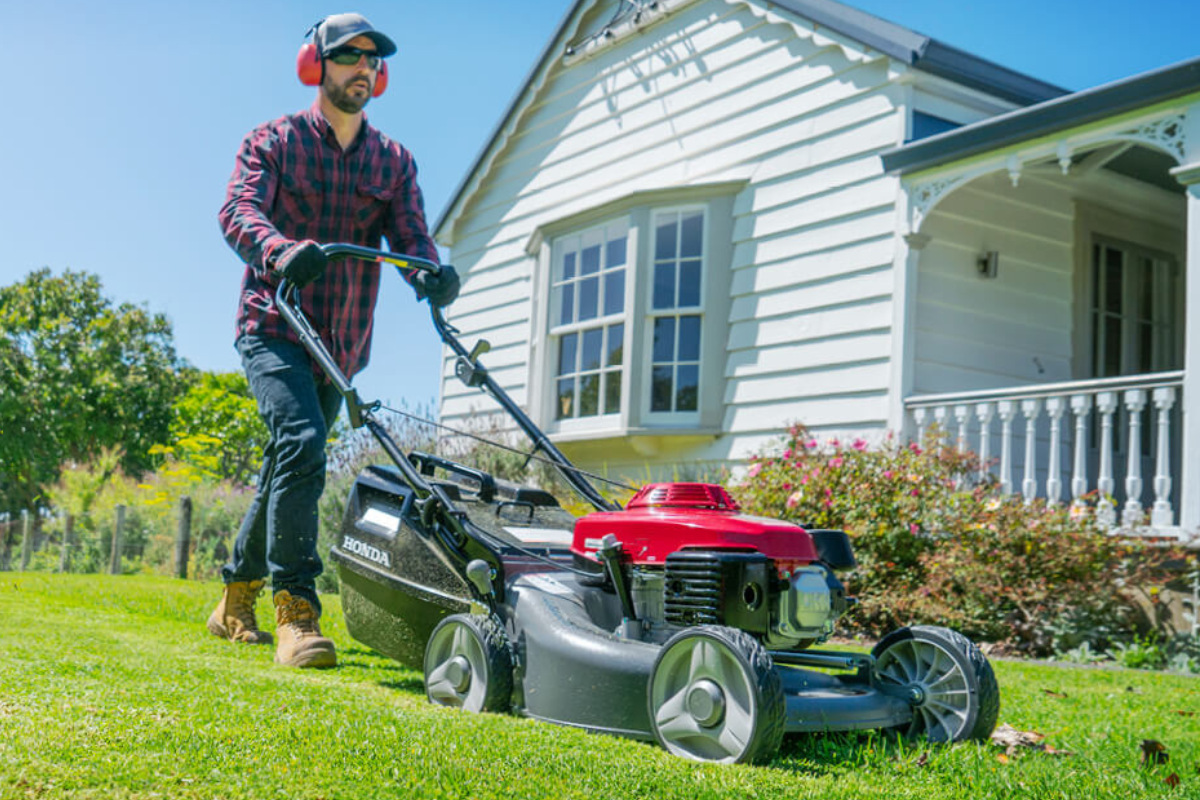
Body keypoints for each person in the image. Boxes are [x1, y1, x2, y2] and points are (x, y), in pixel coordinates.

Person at [209, 12, 459, 668]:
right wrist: (281, 250)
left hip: (341, 346)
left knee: (285, 464)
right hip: (273, 324)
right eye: (350, 56)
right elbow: (238, 212)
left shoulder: (393, 161)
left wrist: (430, 274)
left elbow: (410, 238)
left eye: (374, 60)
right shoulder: (274, 141)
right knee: (301, 443)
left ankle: (234, 598)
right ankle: (296, 609)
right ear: (315, 66)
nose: (364, 69)